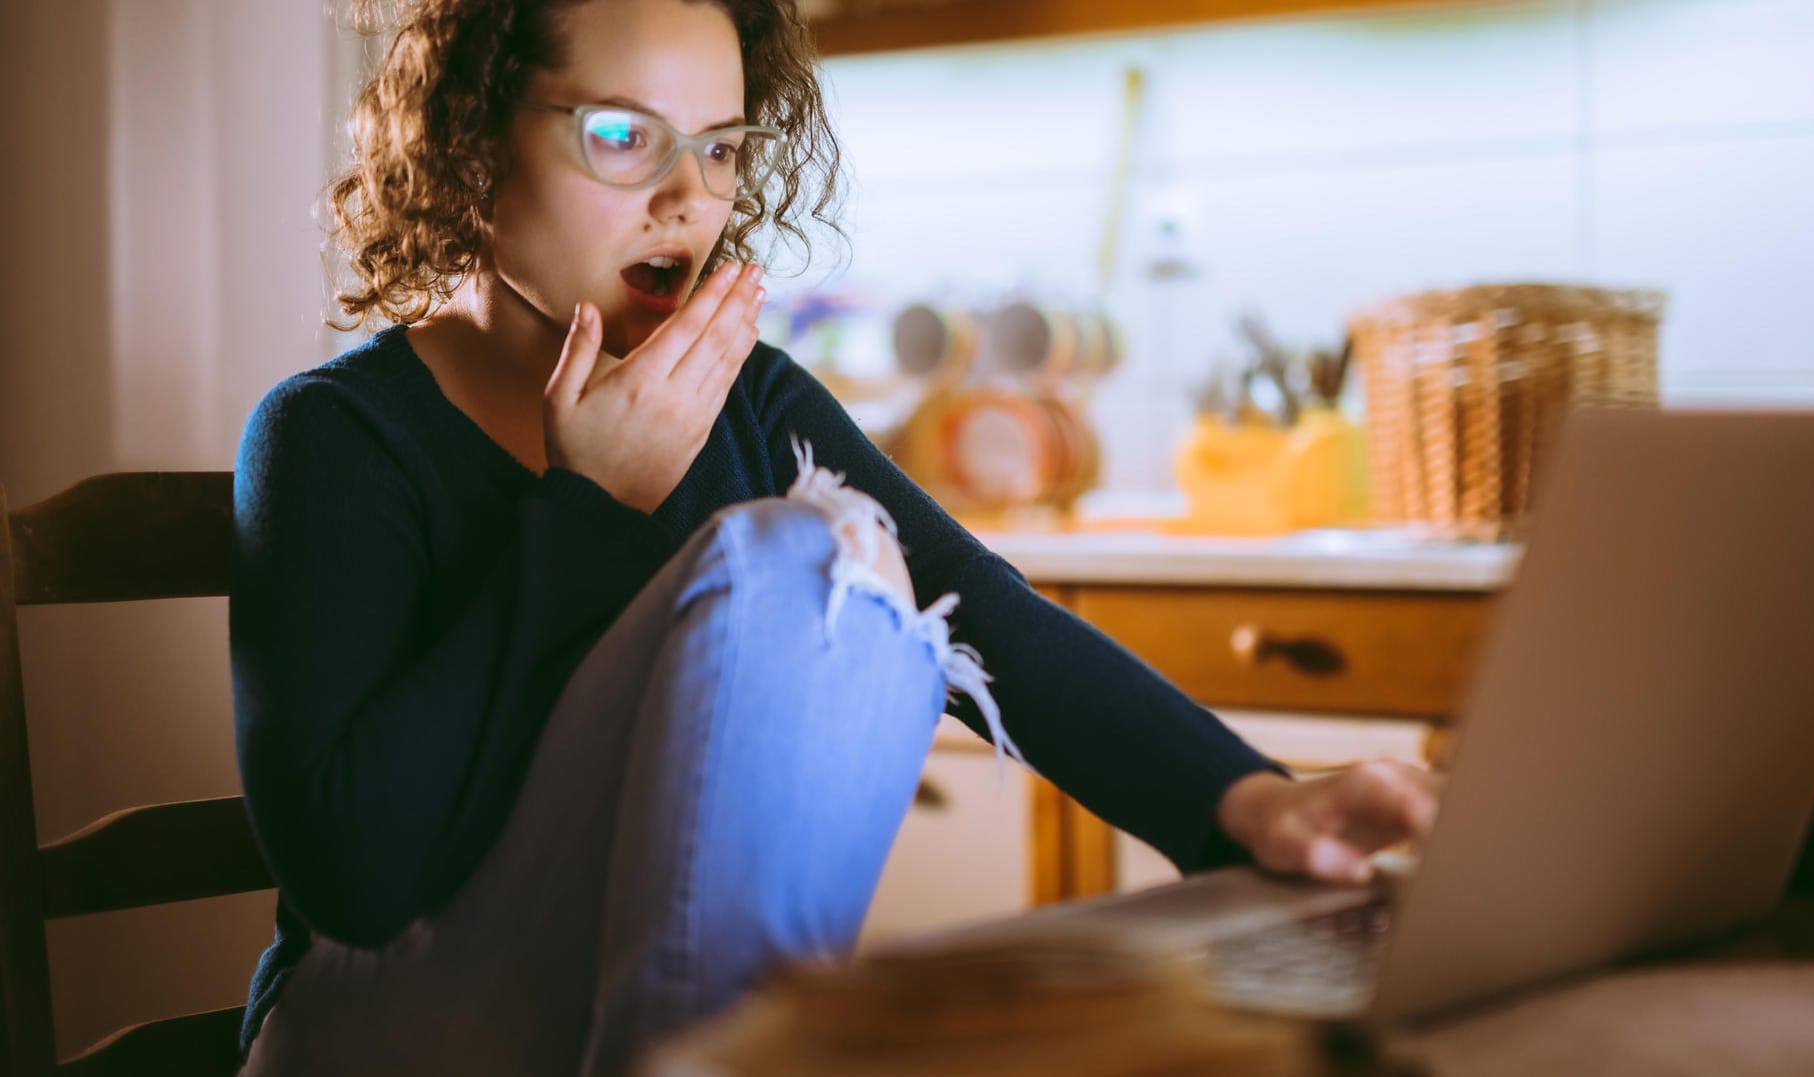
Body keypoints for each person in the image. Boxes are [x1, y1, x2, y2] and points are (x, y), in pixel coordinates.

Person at [229, 0, 1441, 1072]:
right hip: (368, 1031)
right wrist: (587, 508)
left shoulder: (750, 400)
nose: (687, 196)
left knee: (859, 561)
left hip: (641, 1028)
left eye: (719, 147)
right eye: (621, 136)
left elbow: (974, 600)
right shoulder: (335, 436)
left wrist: (1245, 804)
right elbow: (358, 879)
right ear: (471, 136)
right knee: (806, 552)